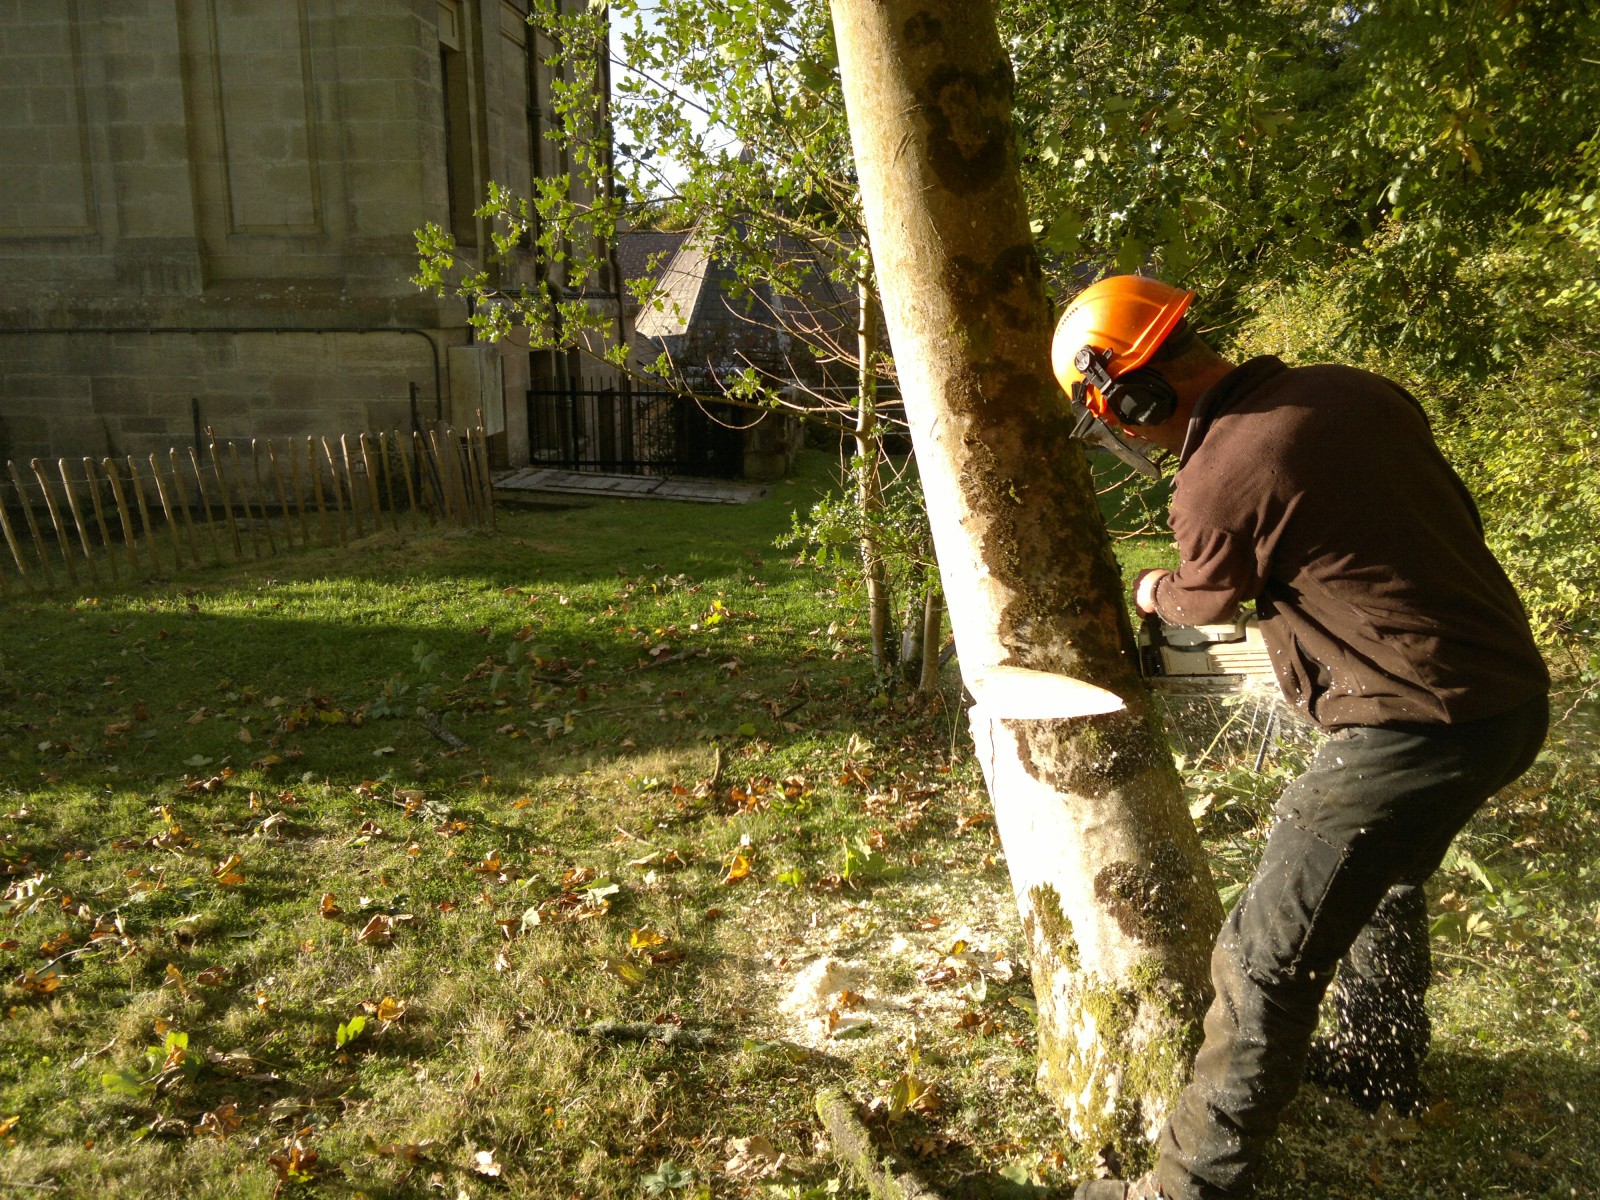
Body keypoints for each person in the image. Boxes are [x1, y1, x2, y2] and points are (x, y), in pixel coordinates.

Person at [1051, 276, 1550, 1200]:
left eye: (1122, 418)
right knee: (1384, 878)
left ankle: (1186, 1187)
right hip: (1507, 700)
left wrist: (1152, 589)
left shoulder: (1219, 476)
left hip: (1414, 725)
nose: (1135, 438)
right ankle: (1378, 1068)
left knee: (1260, 953)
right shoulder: (1353, 389)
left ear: (1132, 394)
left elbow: (1203, 602)